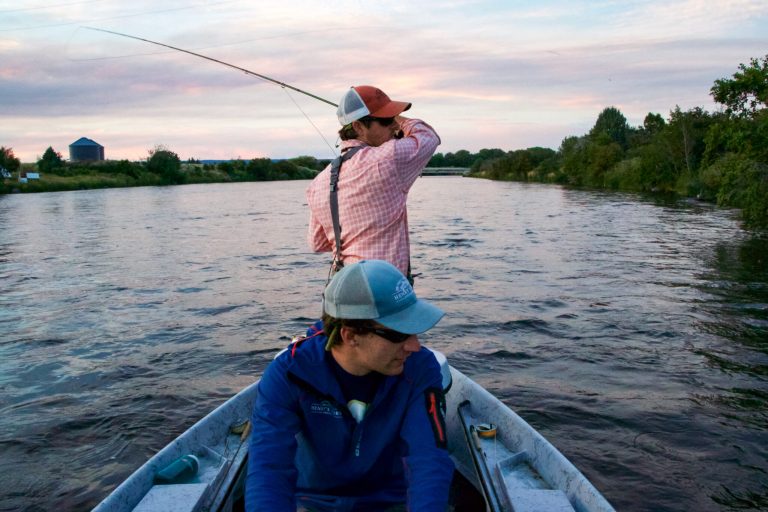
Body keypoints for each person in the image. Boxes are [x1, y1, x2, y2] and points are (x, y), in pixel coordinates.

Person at [245, 260, 454, 512]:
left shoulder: (420, 368)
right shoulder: (289, 374)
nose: (414, 346)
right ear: (351, 335)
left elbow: (428, 457)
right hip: (314, 503)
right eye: (399, 334)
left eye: (415, 329)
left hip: (393, 502)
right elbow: (269, 468)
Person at [306, 85, 441, 282]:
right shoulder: (389, 158)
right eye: (387, 120)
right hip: (385, 289)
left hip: (344, 289)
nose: (395, 125)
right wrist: (401, 119)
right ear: (359, 127)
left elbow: (318, 243)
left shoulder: (318, 183)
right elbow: (427, 136)